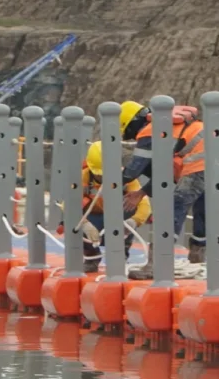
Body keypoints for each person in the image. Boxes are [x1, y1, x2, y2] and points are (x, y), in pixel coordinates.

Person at [118, 100, 206, 280]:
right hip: (214, 160)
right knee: (203, 212)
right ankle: (198, 261)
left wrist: (113, 183)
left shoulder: (149, 130)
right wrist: (141, 193)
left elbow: (135, 169)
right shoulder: (167, 127)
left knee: (172, 210)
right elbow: (165, 172)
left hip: (196, 163)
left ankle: (156, 265)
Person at [72, 141, 151, 273]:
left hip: (117, 219)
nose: (102, 177)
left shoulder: (127, 177)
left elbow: (144, 204)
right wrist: (85, 224)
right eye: (99, 173)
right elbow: (68, 205)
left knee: (131, 206)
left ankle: (120, 257)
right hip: (93, 217)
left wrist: (133, 221)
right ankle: (91, 258)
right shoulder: (83, 177)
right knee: (71, 219)